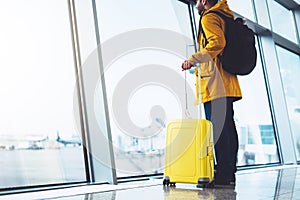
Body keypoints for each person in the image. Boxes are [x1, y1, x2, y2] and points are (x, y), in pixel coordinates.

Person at [181, 0, 242, 187]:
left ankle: (223, 174)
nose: (197, 4)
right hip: (226, 82)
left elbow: (217, 43)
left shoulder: (209, 18)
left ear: (205, 1)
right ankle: (228, 172)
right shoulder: (224, 15)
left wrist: (193, 59)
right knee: (227, 129)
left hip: (216, 85)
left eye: (198, 0)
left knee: (220, 131)